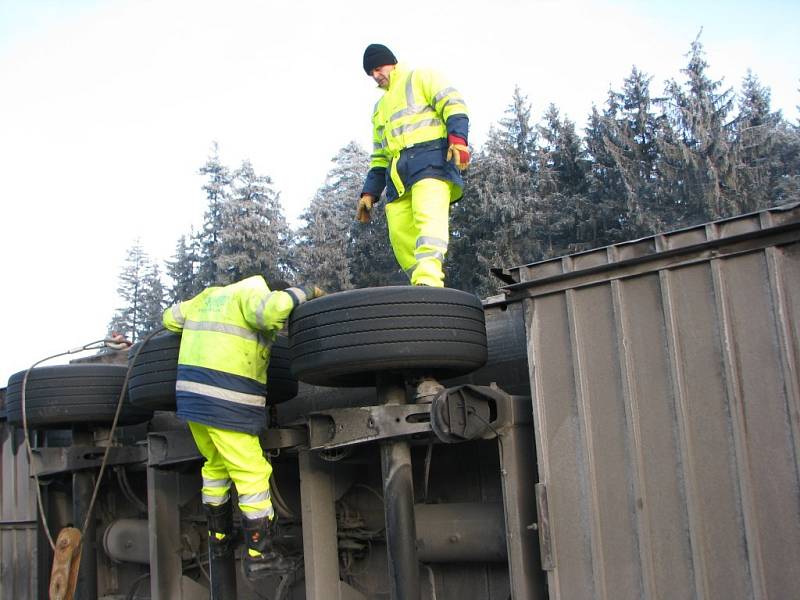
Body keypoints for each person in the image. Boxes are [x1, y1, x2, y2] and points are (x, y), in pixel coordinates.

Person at [162, 275, 324, 578]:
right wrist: (305, 291)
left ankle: (219, 538)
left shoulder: (208, 296)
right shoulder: (253, 291)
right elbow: (271, 311)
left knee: (215, 466)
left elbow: (169, 318)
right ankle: (260, 554)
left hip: (191, 400)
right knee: (252, 473)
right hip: (226, 399)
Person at [356, 43, 470, 288]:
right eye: (371, 74)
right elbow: (379, 156)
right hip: (397, 177)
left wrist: (458, 140)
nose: (376, 76)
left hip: (431, 163)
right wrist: (369, 192)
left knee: (428, 221)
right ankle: (419, 286)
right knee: (399, 235)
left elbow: (453, 104)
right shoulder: (379, 109)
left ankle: (429, 281)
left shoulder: (421, 77)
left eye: (377, 69)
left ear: (391, 62)